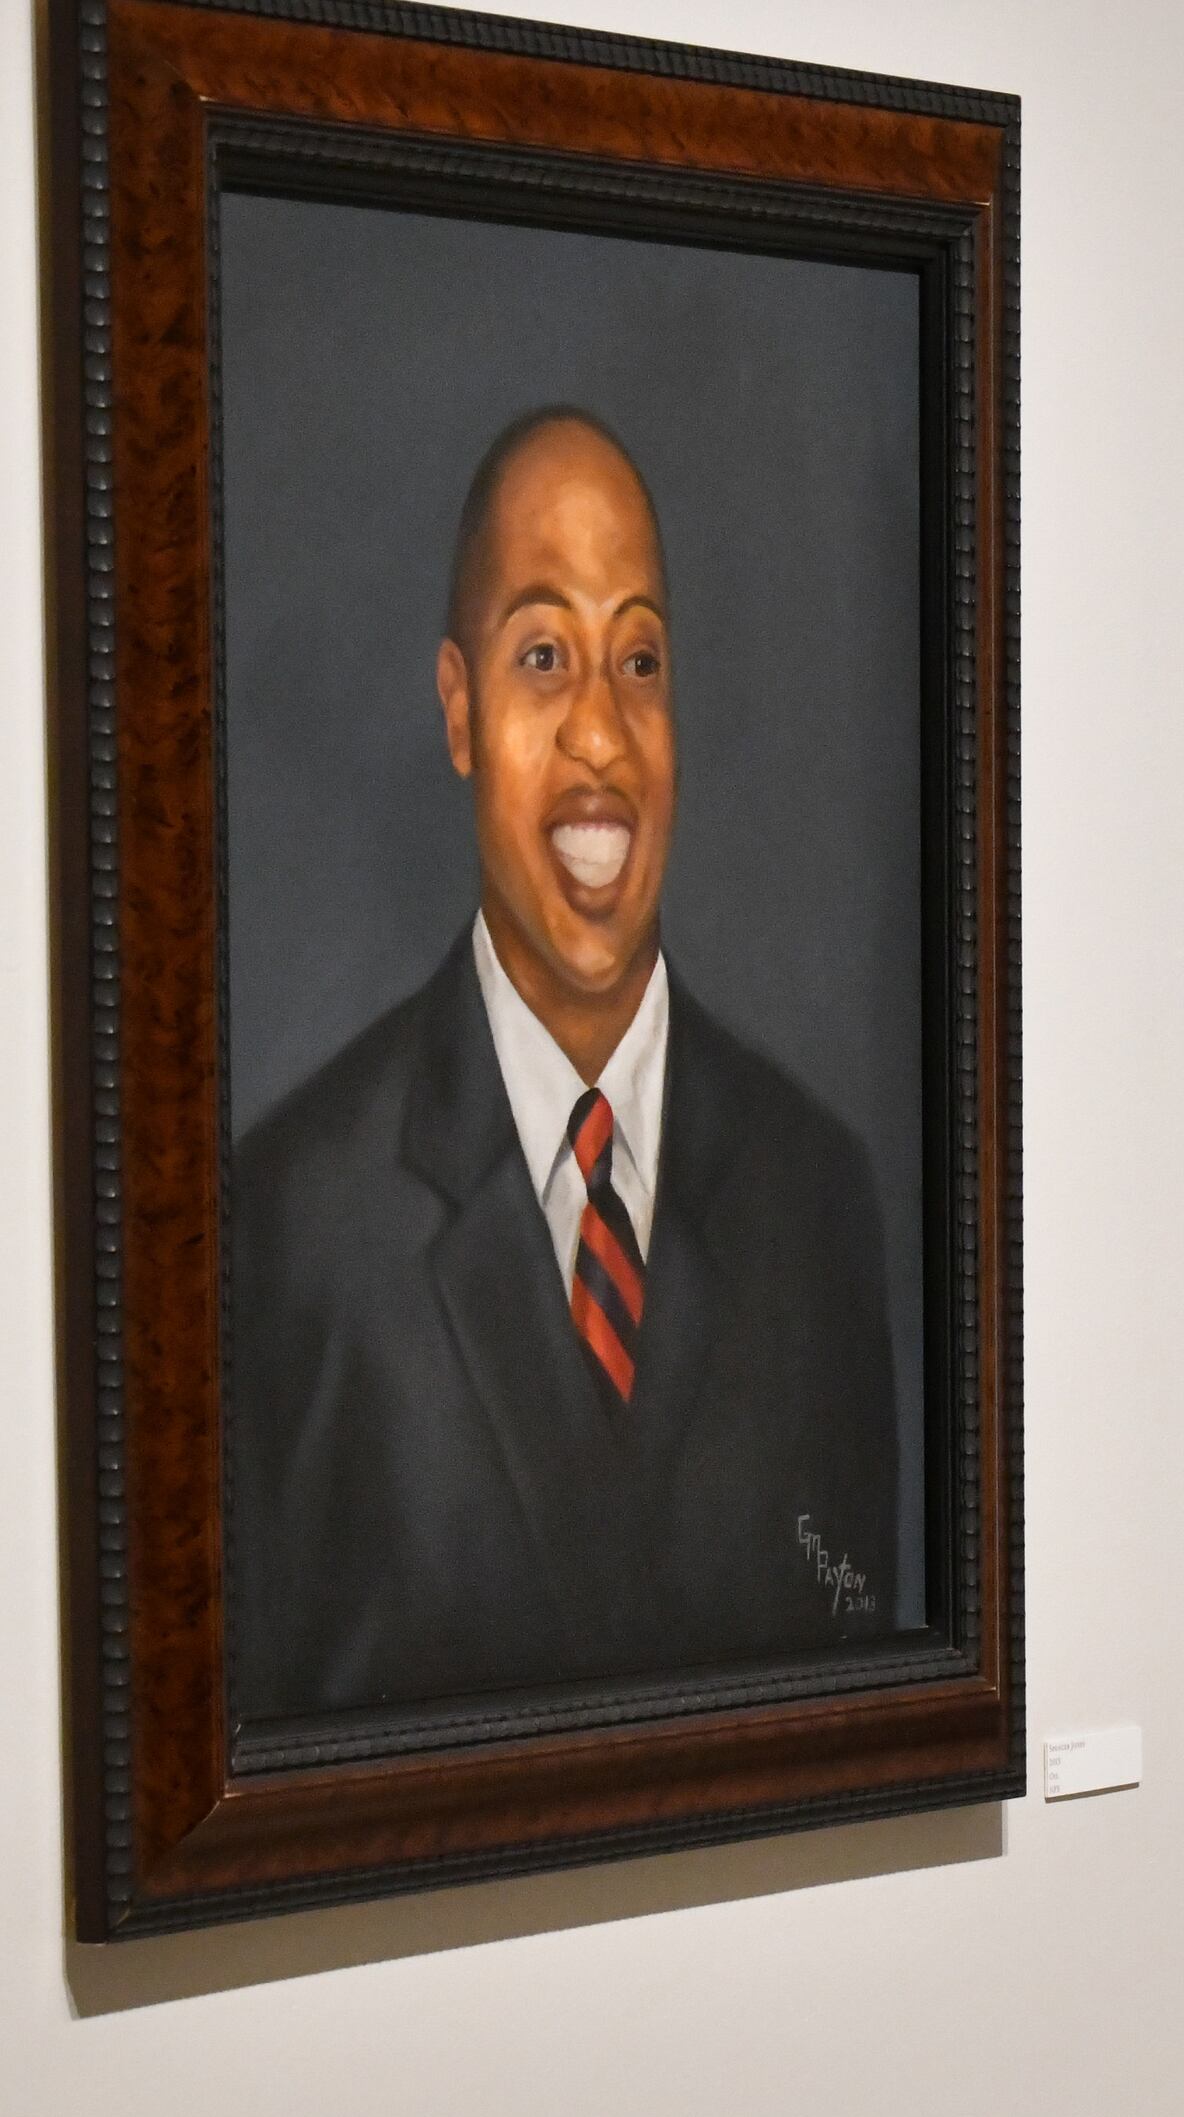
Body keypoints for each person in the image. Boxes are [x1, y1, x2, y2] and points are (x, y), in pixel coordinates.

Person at [229, 406, 897, 1720]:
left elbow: (857, 1634)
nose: (602, 734)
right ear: (460, 708)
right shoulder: (295, 1224)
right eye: (545, 654)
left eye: (638, 661)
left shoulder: (817, 1194)